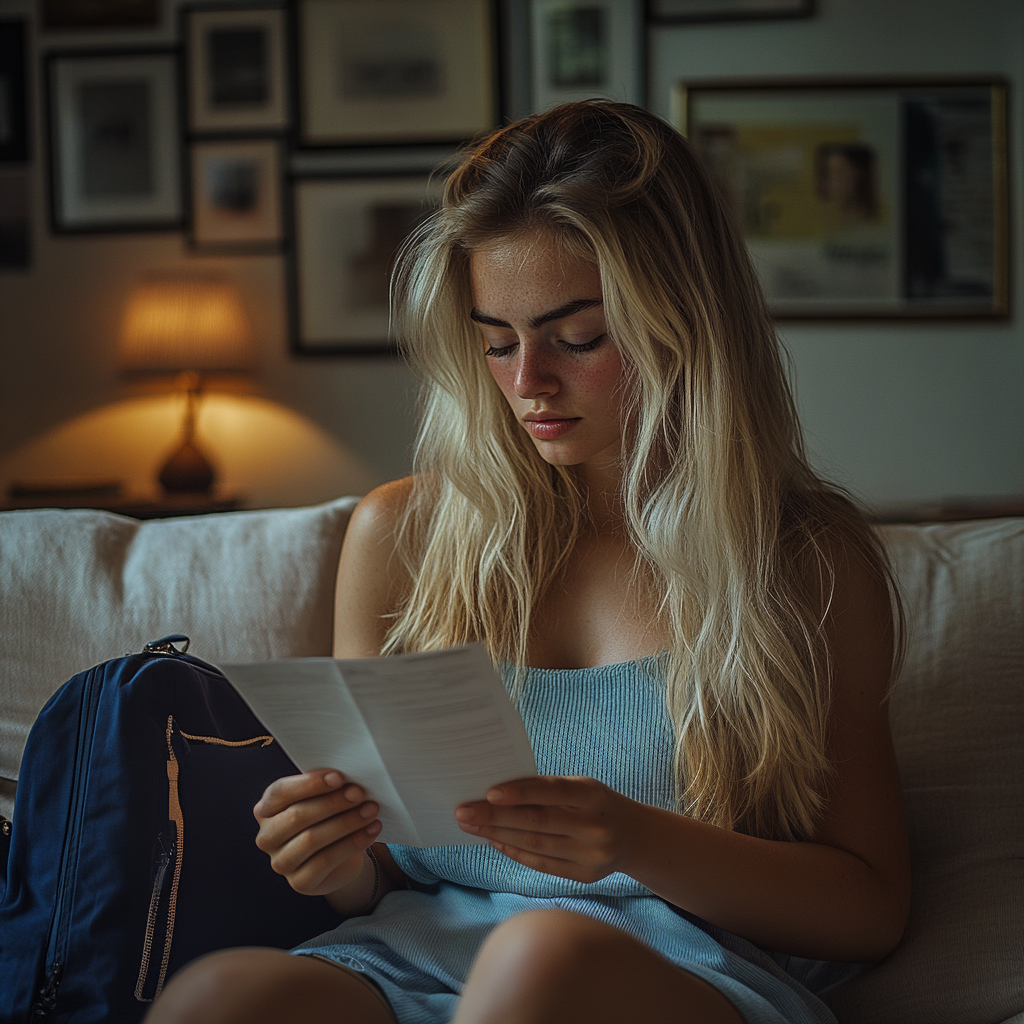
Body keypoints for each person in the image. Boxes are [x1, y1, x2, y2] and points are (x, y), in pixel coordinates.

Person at [146, 101, 910, 1024]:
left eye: (576, 337)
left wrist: (630, 838)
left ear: (685, 320)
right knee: (221, 997)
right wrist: (337, 860)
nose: (527, 384)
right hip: (420, 956)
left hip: (676, 978)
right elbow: (386, 869)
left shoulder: (802, 560)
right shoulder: (403, 538)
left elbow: (870, 909)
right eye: (496, 340)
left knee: (538, 960)